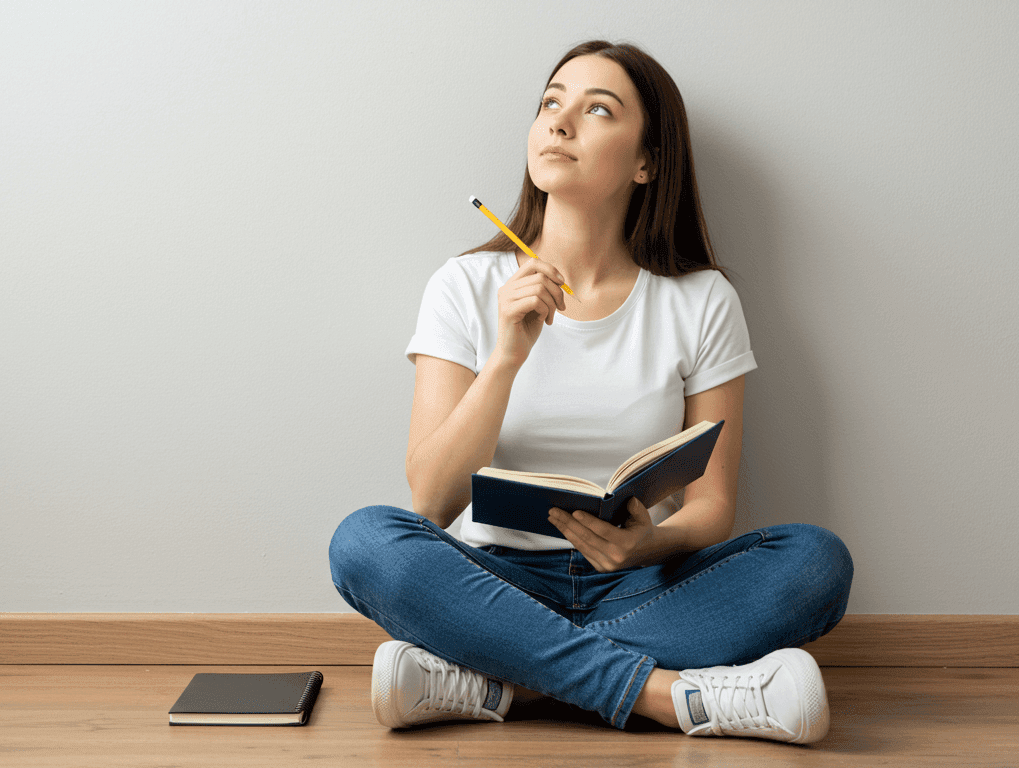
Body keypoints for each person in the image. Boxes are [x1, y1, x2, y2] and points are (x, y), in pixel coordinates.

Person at [327, 40, 853, 744]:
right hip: (492, 581)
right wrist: (507, 357)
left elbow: (714, 507)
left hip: (644, 585)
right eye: (551, 103)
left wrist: (648, 544)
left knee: (816, 562)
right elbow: (431, 500)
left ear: (647, 162)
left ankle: (499, 680)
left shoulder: (701, 300)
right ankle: (668, 697)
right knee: (364, 541)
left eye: (597, 109)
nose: (560, 122)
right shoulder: (464, 285)